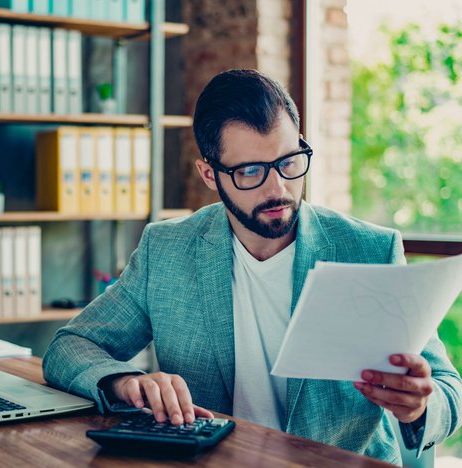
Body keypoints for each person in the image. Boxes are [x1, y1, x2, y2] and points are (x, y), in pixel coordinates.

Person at [43, 69, 462, 464]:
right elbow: (70, 346)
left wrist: (421, 405)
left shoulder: (369, 249)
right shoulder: (166, 249)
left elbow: (449, 389)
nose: (278, 188)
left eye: (289, 161)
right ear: (210, 174)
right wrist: (125, 381)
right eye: (250, 171)